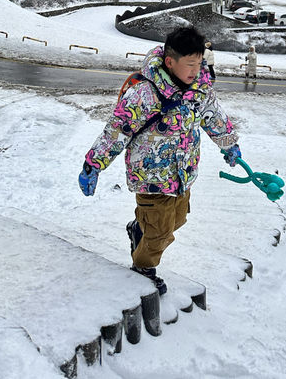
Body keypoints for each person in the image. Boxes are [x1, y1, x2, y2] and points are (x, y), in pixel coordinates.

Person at [78, 26, 240, 295]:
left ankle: (138, 229)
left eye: (199, 63)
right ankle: (143, 269)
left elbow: (214, 117)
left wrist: (229, 144)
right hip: (150, 177)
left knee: (177, 220)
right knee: (160, 232)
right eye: (190, 64)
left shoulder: (199, 90)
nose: (195, 70)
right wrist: (93, 164)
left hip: (182, 174)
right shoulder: (144, 94)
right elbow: (117, 130)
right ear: (169, 62)